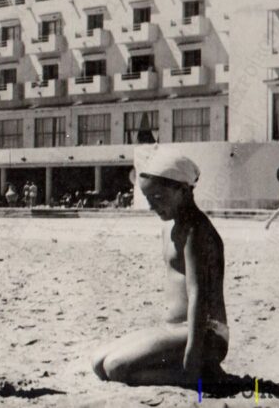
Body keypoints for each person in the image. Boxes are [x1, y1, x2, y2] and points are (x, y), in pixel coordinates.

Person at [92, 151, 228, 387]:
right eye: (147, 198)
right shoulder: (171, 227)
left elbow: (199, 295)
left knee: (115, 368)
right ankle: (191, 370)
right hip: (175, 330)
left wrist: (192, 354)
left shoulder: (196, 232)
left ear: (183, 190)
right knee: (99, 362)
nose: (151, 206)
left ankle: (199, 375)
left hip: (205, 334)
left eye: (157, 197)